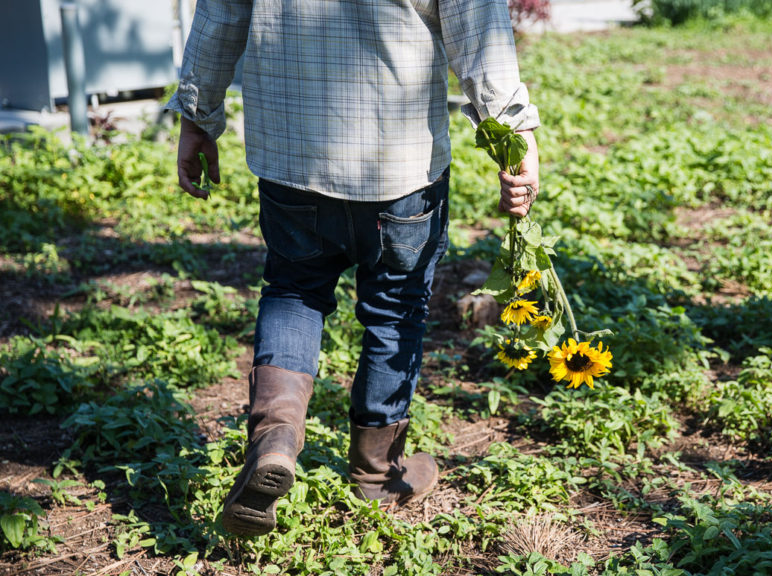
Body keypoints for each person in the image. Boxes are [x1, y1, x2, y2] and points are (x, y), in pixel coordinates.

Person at [168, 0, 540, 537]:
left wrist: (198, 117)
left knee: (294, 291)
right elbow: (477, 28)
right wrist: (514, 135)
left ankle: (274, 438)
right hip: (401, 167)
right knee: (395, 310)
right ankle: (374, 472)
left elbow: (219, 17)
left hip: (291, 158)